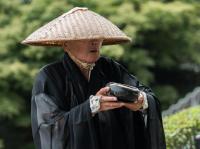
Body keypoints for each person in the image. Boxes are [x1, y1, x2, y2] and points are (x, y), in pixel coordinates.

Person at [22, 7, 166, 149]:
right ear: (65, 44)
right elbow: (49, 129)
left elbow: (148, 97)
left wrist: (141, 101)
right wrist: (91, 107)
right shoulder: (49, 76)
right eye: (85, 36)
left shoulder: (110, 67)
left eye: (97, 36)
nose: (94, 41)